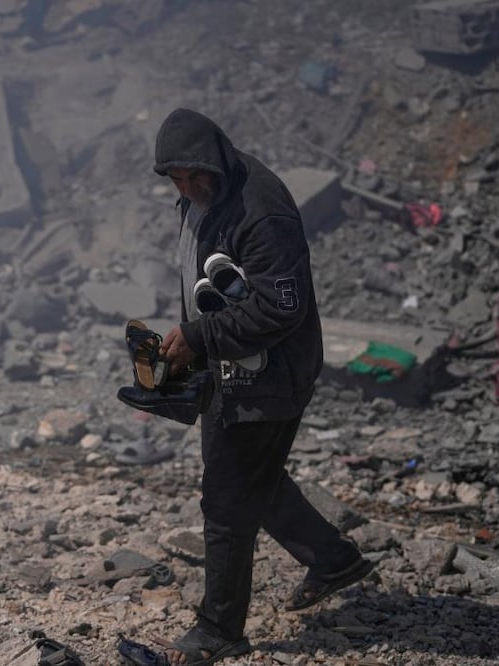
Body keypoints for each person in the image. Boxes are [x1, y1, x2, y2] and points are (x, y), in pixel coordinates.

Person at [151, 108, 375, 664]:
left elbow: (281, 306)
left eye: (190, 177)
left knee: (227, 500)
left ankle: (219, 630)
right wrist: (193, 347)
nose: (185, 188)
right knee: (256, 477)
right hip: (231, 367)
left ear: (213, 161)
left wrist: (201, 336)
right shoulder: (205, 195)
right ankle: (334, 559)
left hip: (268, 376)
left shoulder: (261, 208)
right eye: (175, 180)